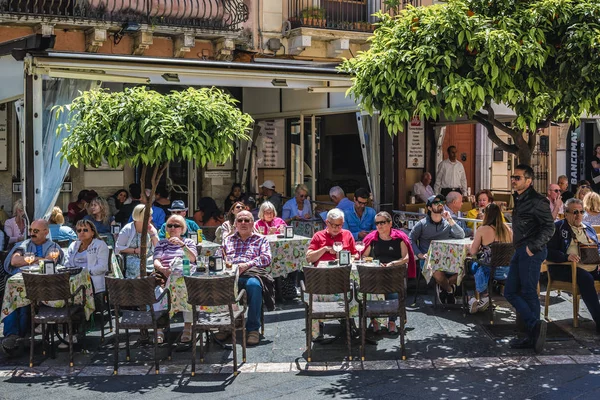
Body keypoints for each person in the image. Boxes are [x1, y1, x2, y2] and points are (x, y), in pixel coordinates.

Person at [506, 164, 555, 353]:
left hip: (531, 251)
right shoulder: (519, 198)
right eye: (513, 177)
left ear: (529, 181)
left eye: (517, 178)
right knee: (510, 291)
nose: (513, 180)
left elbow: (549, 228)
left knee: (528, 292)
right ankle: (535, 328)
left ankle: (532, 335)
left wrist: (531, 248)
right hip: (520, 250)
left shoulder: (537, 201)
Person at [2, 220, 65, 350]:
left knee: (25, 304)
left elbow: (50, 261)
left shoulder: (54, 247)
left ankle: (21, 335)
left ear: (46, 232)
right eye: (30, 230)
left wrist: (28, 260)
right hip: (21, 283)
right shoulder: (24, 244)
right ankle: (12, 336)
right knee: (14, 300)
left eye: (35, 231)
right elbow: (14, 260)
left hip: (45, 287)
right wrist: (38, 259)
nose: (32, 233)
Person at [546, 198, 600, 334]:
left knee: (587, 275)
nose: (579, 215)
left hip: (591, 267)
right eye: (575, 212)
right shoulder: (557, 228)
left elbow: (598, 247)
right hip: (567, 269)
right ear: (566, 213)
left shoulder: (588, 228)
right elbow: (547, 251)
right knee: (586, 278)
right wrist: (566, 257)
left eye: (581, 212)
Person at [221, 210, 273, 346]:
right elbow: (219, 257)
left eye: (247, 220)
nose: (243, 223)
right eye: (240, 220)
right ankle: (226, 325)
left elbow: (266, 258)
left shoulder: (261, 239)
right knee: (218, 285)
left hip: (251, 273)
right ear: (235, 224)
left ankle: (253, 329)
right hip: (231, 275)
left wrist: (247, 264)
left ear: (252, 223)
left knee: (254, 286)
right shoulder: (227, 240)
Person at [363, 211, 416, 333]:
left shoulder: (399, 238)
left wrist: (393, 264)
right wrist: (375, 264)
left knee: (393, 288)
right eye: (377, 223)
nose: (379, 226)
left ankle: (392, 321)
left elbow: (406, 258)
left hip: (393, 271)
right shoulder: (372, 239)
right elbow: (363, 256)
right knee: (369, 288)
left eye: (382, 222)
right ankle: (374, 320)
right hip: (376, 272)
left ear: (390, 223)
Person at [408, 194, 465, 304]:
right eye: (436, 203)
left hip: (446, 259)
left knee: (464, 268)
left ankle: (443, 286)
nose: (440, 205)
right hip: (428, 259)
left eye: (441, 203)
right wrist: (419, 254)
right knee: (434, 269)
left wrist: (450, 219)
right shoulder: (422, 224)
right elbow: (410, 239)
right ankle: (449, 290)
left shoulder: (446, 223)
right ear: (429, 208)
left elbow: (461, 235)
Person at [153, 214, 198, 343]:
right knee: (159, 293)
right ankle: (160, 329)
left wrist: (182, 245)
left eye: (176, 225)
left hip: (184, 276)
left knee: (188, 292)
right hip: (165, 274)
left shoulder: (188, 242)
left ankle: (188, 327)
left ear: (182, 228)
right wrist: (163, 269)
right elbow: (156, 261)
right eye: (170, 225)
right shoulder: (162, 243)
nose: (173, 228)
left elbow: (193, 259)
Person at [467, 203, 513, 314]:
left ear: (486, 215)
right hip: (507, 271)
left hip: (490, 270)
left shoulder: (482, 229)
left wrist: (469, 247)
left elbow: (473, 251)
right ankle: (482, 298)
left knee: (469, 264)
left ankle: (477, 296)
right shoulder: (508, 229)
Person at [64, 219, 110, 299]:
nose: (82, 232)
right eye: (79, 230)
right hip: (73, 278)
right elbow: (67, 263)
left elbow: (102, 267)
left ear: (92, 232)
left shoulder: (100, 245)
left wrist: (85, 273)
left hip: (92, 278)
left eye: (85, 230)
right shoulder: (73, 245)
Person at [115, 204, 159, 278]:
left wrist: (152, 235)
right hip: (132, 257)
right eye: (149, 216)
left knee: (158, 265)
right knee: (140, 266)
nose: (151, 218)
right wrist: (135, 250)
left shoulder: (151, 228)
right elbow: (118, 248)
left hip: (149, 257)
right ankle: (140, 285)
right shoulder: (127, 229)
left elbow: (157, 247)